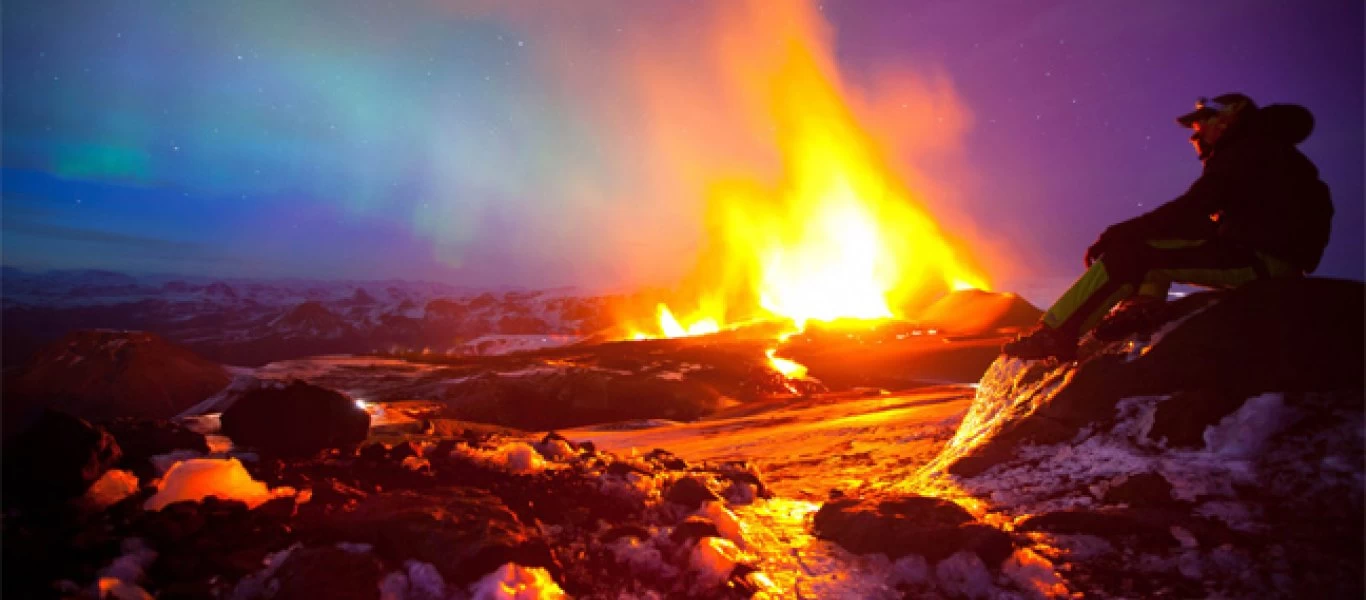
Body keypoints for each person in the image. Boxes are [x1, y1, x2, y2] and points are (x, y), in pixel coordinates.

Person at [1002, 93, 1333, 361]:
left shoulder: (1246, 153)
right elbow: (1204, 219)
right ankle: (1142, 310)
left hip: (1258, 260)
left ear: (1226, 120)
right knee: (1155, 248)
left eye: (1200, 125)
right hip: (1265, 257)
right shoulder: (1268, 155)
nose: (1194, 135)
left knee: (1131, 255)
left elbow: (1191, 210)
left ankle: (1056, 335)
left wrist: (1120, 233)